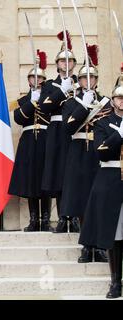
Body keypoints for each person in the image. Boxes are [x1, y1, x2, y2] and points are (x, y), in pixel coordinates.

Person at [61, 48, 111, 263]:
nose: (88, 81)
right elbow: (68, 127)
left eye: (91, 78)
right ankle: (86, 245)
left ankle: (99, 246)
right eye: (84, 78)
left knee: (98, 201)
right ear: (79, 81)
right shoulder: (71, 102)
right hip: (79, 152)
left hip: (99, 155)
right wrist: (83, 104)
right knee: (81, 201)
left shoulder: (106, 102)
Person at [79, 75, 123, 299]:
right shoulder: (103, 124)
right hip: (110, 178)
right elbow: (102, 151)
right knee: (114, 233)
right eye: (118, 98)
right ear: (113, 100)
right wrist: (119, 135)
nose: (122, 101)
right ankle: (116, 281)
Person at [9, 50, 52, 232]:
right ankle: (34, 220)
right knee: (31, 181)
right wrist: (31, 102)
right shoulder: (23, 100)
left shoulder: (50, 99)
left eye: (39, 79)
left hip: (45, 140)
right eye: (33, 78)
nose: (36, 81)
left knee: (45, 180)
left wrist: (40, 100)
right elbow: (19, 118)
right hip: (28, 142)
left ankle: (46, 219)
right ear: (29, 81)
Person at [39, 31, 77, 233]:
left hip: (76, 132)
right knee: (60, 175)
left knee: (75, 175)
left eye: (70, 61)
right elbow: (44, 107)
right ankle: (63, 217)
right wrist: (62, 91)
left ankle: (76, 217)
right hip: (56, 131)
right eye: (63, 61)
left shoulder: (82, 83)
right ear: (57, 64)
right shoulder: (49, 85)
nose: (66, 64)